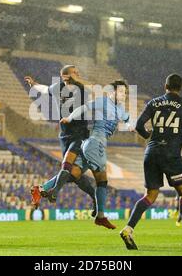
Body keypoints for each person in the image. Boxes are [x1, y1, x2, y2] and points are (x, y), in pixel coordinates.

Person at [120, 74, 182, 250]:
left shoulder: (153, 103)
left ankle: (128, 229)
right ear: (181, 87)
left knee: (150, 195)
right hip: (170, 154)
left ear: (165, 86)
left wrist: (149, 136)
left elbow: (139, 125)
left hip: (151, 152)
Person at [57, 80, 133, 229]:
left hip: (95, 144)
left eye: (126, 92)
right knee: (102, 179)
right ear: (112, 92)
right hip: (94, 143)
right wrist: (70, 117)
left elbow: (127, 118)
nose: (125, 95)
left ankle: (43, 189)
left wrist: (130, 125)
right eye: (122, 92)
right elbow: (84, 107)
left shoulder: (120, 107)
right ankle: (100, 216)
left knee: (73, 174)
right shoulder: (102, 102)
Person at [25, 65, 97, 215]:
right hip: (79, 134)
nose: (78, 73)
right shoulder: (80, 88)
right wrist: (35, 85)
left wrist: (34, 85)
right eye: (75, 72)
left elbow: (45, 89)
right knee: (73, 172)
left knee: (72, 171)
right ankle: (52, 191)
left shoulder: (58, 87)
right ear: (70, 75)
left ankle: (46, 190)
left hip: (67, 136)